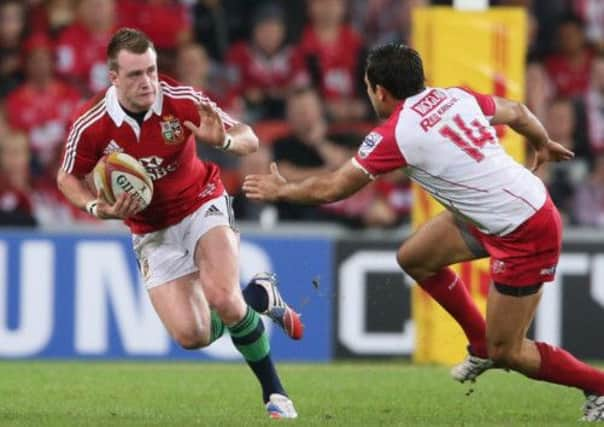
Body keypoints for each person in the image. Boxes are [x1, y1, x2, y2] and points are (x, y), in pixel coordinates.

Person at [243, 43, 604, 422]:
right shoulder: (456, 97)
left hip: (525, 230)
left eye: (369, 88)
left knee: (509, 351)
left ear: (380, 91)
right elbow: (518, 111)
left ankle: (597, 386)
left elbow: (334, 188)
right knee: (414, 258)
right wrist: (542, 141)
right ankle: (478, 343)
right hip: (499, 211)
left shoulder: (397, 133)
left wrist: (281, 190)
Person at [56, 28, 301, 419]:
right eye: (135, 74)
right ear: (113, 77)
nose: (147, 82)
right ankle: (258, 297)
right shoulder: (92, 123)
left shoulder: (180, 99)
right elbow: (67, 177)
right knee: (192, 335)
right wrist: (98, 209)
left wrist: (221, 142)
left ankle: (275, 393)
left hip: (201, 203)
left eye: (151, 71)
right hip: (150, 230)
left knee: (221, 295)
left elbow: (249, 138)